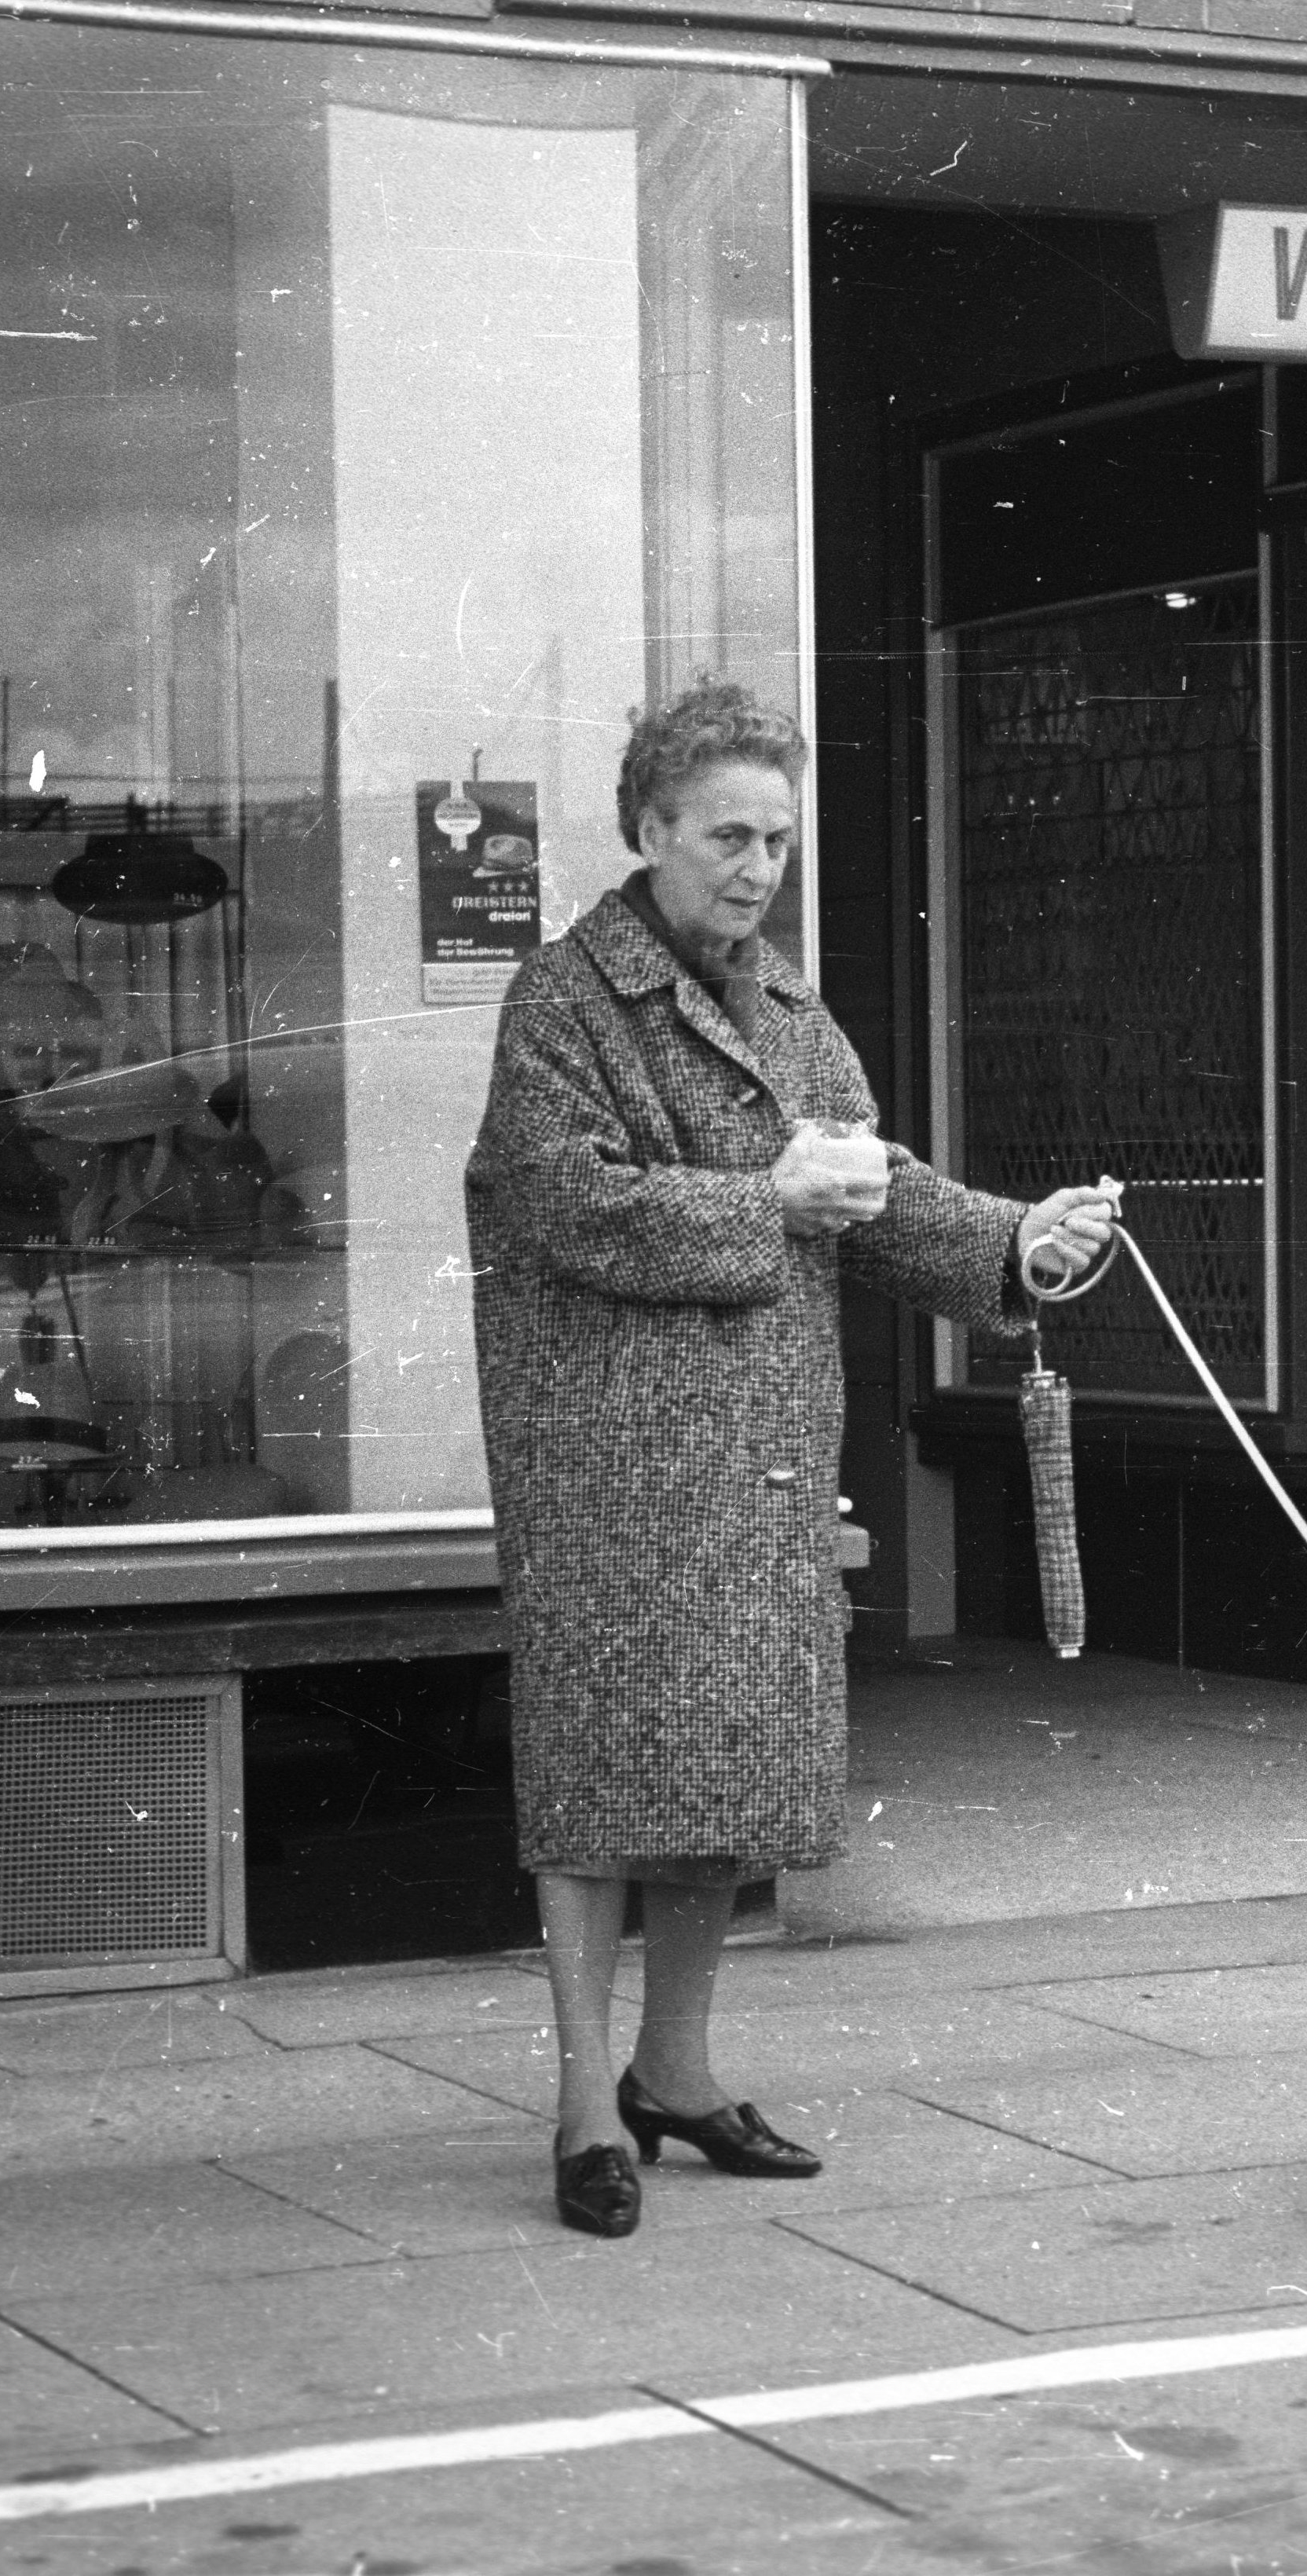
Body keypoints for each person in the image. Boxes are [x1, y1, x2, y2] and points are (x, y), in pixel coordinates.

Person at [467, 677, 1117, 2240]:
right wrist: (768, 1203)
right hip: (606, 1465)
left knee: (721, 1781)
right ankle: (579, 2106)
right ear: (647, 830)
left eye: (776, 840)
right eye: (726, 837)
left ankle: (674, 2076)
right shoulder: (562, 1001)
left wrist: (1015, 1243)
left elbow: (870, 1196)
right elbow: (564, 1204)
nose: (755, 868)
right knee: (598, 1790)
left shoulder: (790, 1010)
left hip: (752, 1461)